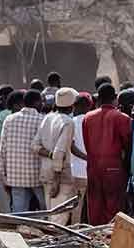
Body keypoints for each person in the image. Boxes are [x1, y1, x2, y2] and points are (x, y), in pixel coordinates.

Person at [81, 82, 131, 224]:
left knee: (95, 208)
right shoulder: (122, 118)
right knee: (113, 210)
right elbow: (127, 146)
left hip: (93, 168)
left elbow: (87, 144)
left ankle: (95, 240)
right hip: (114, 169)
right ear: (114, 98)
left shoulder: (87, 118)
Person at [34, 87, 77, 224]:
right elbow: (60, 152)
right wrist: (57, 178)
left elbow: (35, 146)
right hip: (60, 175)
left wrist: (49, 154)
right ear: (71, 106)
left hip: (45, 172)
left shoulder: (48, 118)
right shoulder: (68, 122)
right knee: (59, 218)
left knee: (51, 213)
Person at [0, 89, 45, 213]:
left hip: (15, 175)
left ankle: (21, 232)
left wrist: (3, 175)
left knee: (19, 213)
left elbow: (2, 149)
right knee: (46, 211)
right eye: (41, 101)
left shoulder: (9, 120)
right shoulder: (42, 120)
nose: (43, 104)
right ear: (36, 103)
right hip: (38, 175)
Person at [70, 92, 91, 221]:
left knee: (77, 206)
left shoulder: (72, 122)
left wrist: (85, 157)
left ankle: (75, 231)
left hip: (77, 171)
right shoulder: (92, 120)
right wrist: (91, 158)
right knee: (91, 205)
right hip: (92, 170)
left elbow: (71, 147)